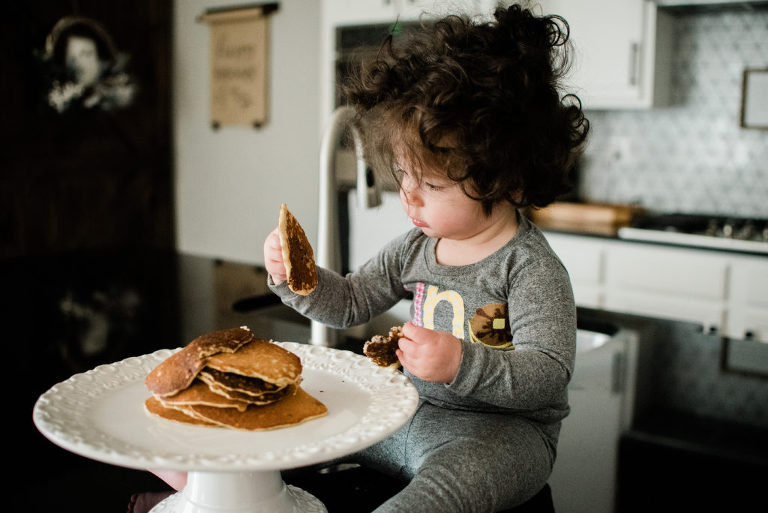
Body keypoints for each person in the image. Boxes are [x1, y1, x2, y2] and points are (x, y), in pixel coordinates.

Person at [145, 3, 588, 512]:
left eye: (432, 184)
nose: (409, 198)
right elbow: (353, 300)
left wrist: (462, 362)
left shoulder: (530, 268)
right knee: (310, 424)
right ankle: (208, 471)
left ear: (507, 179)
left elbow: (548, 375)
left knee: (443, 493)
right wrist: (296, 280)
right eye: (403, 176)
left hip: (498, 437)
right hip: (404, 413)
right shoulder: (415, 247)